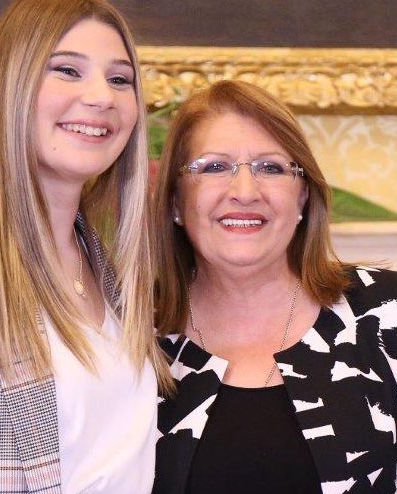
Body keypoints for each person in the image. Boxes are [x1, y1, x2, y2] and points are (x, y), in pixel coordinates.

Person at [0, 0, 172, 492]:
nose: (101, 97)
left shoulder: (103, 263)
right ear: (9, 86)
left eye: (120, 79)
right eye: (67, 70)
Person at [151, 80, 397, 494]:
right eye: (214, 167)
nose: (245, 192)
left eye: (271, 168)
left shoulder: (386, 313)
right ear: (175, 201)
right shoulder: (129, 334)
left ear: (302, 197)